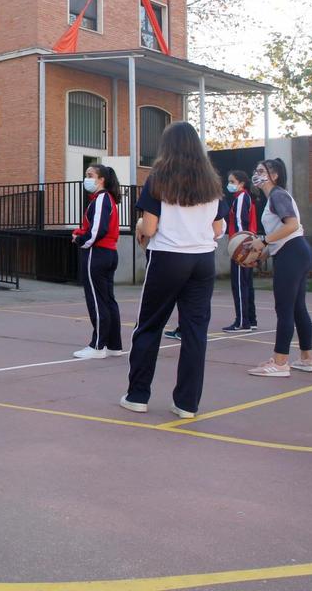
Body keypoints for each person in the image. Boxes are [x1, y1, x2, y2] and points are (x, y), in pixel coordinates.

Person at [120, 122, 227, 419]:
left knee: (149, 326)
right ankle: (186, 403)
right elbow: (218, 230)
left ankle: (138, 395)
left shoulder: (158, 177)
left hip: (168, 258)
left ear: (167, 146)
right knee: (195, 332)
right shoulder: (211, 181)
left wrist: (141, 226)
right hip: (203, 260)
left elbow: (150, 227)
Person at [245, 158, 312, 377]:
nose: (256, 174)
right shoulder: (273, 198)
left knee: (284, 309)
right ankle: (306, 359)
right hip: (296, 251)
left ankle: (280, 362)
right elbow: (284, 233)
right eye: (255, 170)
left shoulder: (278, 195)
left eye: (261, 171)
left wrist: (264, 241)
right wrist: (261, 253)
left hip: (292, 253)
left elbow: (292, 225)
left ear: (274, 175)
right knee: (297, 308)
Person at [71, 164, 123, 359]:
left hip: (98, 254)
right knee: (108, 300)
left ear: (101, 179)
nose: (87, 178)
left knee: (97, 300)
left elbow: (98, 231)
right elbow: (96, 228)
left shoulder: (101, 199)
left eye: (90, 175)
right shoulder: (106, 200)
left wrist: (80, 240)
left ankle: (98, 346)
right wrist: (82, 234)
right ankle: (113, 345)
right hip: (107, 254)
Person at [222, 170, 259, 332]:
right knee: (247, 284)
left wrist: (239, 248)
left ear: (241, 184)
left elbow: (239, 223)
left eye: (232, 181)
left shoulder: (242, 198)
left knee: (239, 285)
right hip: (249, 246)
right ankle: (251, 319)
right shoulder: (246, 198)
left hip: (242, 248)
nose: (229, 184)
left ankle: (242, 322)